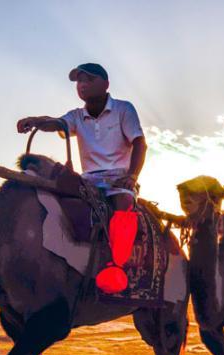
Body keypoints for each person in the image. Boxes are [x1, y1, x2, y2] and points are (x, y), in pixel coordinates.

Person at [16, 63, 146, 294]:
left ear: (105, 84)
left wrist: (131, 176)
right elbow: (57, 122)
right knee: (52, 201)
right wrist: (36, 120)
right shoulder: (77, 116)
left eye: (88, 80)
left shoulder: (124, 110)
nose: (82, 85)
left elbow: (139, 143)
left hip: (118, 178)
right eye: (79, 81)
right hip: (87, 180)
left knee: (123, 207)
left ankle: (117, 268)